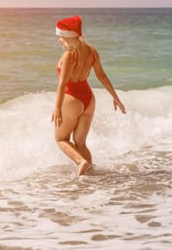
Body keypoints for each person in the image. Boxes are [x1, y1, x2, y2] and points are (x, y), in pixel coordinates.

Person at [51, 15, 126, 176]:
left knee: (61, 139)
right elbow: (102, 76)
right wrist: (116, 98)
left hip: (72, 99)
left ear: (67, 37)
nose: (59, 41)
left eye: (60, 37)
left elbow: (63, 84)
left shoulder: (68, 55)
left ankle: (81, 162)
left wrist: (57, 107)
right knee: (80, 143)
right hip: (88, 99)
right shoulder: (91, 51)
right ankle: (91, 177)